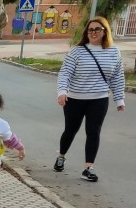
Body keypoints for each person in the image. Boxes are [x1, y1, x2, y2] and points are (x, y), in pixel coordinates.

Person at [54, 16, 125, 182]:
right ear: (86, 32)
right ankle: (61, 156)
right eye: (90, 30)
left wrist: (119, 99)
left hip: (99, 99)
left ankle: (88, 168)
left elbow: (117, 77)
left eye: (97, 29)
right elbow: (65, 73)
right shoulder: (77, 51)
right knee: (71, 130)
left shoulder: (114, 52)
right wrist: (62, 92)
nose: (93, 32)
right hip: (75, 99)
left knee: (94, 132)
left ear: (105, 31)